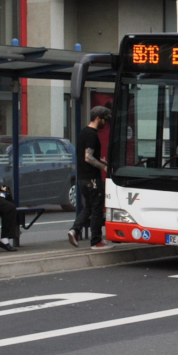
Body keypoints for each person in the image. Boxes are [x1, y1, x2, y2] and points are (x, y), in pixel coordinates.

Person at [69, 105, 111, 249]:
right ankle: (96, 241)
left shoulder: (83, 132)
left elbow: (87, 156)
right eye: (104, 120)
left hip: (82, 178)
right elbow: (89, 157)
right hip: (92, 179)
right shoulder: (92, 135)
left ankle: (74, 230)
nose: (105, 123)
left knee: (88, 207)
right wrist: (104, 167)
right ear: (97, 118)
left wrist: (104, 161)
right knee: (97, 209)